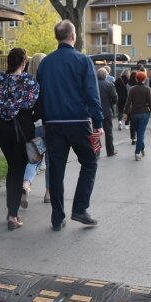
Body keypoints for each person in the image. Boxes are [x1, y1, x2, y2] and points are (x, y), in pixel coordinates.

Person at [36, 20, 103, 232]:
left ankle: (57, 218)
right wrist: (98, 123)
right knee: (90, 162)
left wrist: (42, 119)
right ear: (73, 36)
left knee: (56, 170)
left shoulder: (45, 63)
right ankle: (80, 209)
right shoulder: (83, 60)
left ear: (58, 37)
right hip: (78, 122)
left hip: (53, 124)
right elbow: (92, 95)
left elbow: (40, 95)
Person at [0, 48, 40, 230]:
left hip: (3, 129)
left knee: (13, 167)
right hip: (22, 128)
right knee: (16, 170)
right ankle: (12, 214)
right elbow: (33, 103)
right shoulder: (29, 81)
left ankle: (12, 210)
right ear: (24, 62)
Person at [23, 52, 50, 204]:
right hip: (47, 125)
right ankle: (48, 192)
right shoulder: (47, 82)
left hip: (32, 127)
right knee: (51, 159)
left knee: (34, 159)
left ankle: (26, 185)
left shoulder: (26, 82)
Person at [123, 70, 151, 161]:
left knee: (139, 132)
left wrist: (125, 113)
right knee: (141, 133)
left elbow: (128, 102)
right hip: (145, 113)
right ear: (145, 79)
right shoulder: (147, 89)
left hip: (134, 113)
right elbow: (150, 103)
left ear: (136, 78)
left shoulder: (132, 89)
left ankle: (142, 148)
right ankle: (137, 153)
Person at [97, 66, 118, 157]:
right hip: (106, 111)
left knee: (96, 132)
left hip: (95, 112)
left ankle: (96, 153)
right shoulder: (110, 85)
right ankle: (110, 151)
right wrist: (110, 104)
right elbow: (115, 98)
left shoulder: (93, 84)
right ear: (106, 76)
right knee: (108, 132)